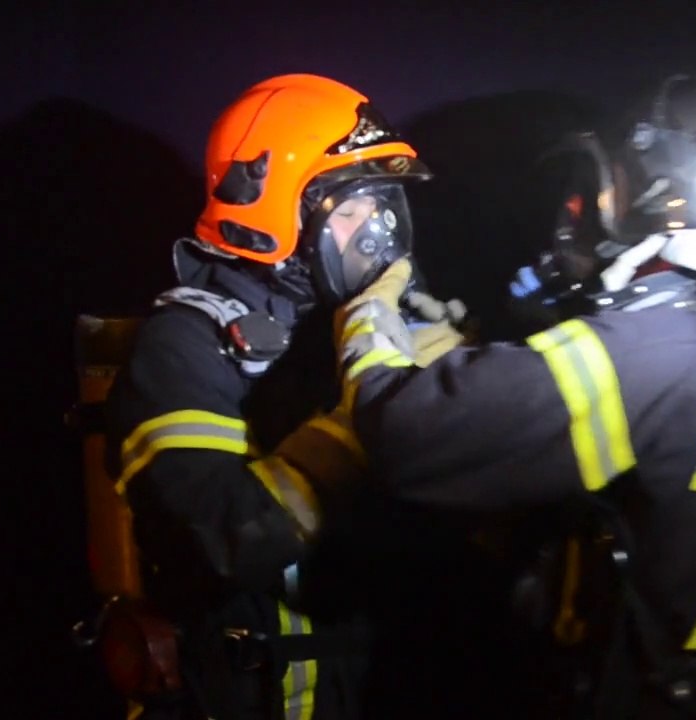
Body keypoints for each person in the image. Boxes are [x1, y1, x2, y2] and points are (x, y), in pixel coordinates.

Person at [322, 75, 696, 719]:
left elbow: (410, 433)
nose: (578, 212)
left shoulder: (671, 343)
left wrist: (369, 312)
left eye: (596, 187)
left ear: (653, 182)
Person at [101, 73, 464, 720]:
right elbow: (217, 536)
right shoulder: (185, 345)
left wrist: (464, 383)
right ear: (268, 211)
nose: (376, 234)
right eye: (350, 209)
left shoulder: (360, 326)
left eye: (384, 208)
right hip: (270, 697)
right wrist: (377, 414)